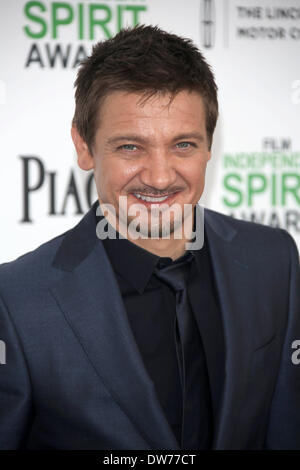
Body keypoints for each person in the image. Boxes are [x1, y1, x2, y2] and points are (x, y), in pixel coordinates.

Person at [0, 25, 299, 450]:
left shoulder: (274, 261)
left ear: (210, 145)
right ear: (84, 147)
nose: (160, 177)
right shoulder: (16, 300)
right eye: (130, 147)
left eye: (183, 145)